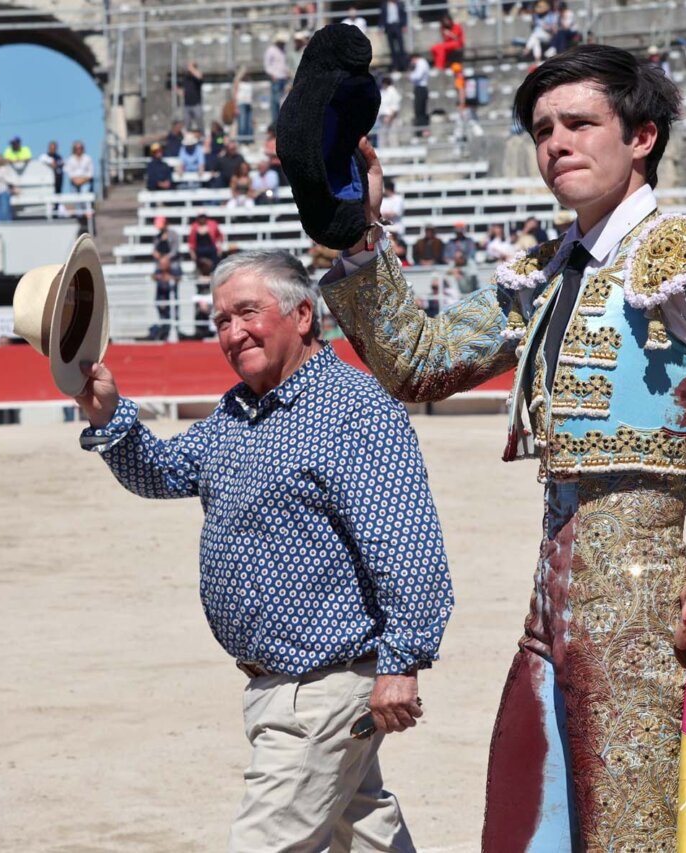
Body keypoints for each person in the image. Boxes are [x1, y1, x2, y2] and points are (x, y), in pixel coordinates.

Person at [318, 44, 686, 849]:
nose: (558, 143)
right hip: (551, 610)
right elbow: (419, 362)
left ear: (642, 136)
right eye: (544, 128)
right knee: (546, 824)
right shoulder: (551, 271)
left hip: (639, 605)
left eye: (581, 122)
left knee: (631, 832)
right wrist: (358, 231)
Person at [75, 250, 453, 852]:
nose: (232, 332)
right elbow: (165, 472)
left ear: (303, 316)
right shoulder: (237, 411)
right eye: (221, 320)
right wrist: (111, 417)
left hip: (324, 689)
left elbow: (406, 548)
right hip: (277, 686)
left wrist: (401, 663)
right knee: (365, 836)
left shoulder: (355, 410)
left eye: (247, 312)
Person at [264, 32, 291, 126]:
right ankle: (276, 123)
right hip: (276, 79)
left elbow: (283, 65)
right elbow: (267, 66)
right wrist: (272, 75)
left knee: (282, 101)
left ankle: (282, 121)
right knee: (276, 101)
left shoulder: (283, 50)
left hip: (283, 78)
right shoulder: (271, 50)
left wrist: (288, 72)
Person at [187, 209, 224, 274]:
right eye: (200, 216)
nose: (202, 218)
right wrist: (192, 252)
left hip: (211, 249)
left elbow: (219, 237)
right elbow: (191, 241)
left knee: (215, 261)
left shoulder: (213, 224)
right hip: (199, 250)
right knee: (200, 262)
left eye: (203, 216)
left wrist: (219, 247)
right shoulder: (194, 226)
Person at [380, 0, 409, 72]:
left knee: (401, 47)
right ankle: (395, 67)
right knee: (392, 48)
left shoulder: (399, 4)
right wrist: (381, 28)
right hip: (389, 27)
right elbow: (382, 17)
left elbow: (404, 14)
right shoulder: (384, 5)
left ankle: (404, 66)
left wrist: (404, 25)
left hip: (398, 26)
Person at [377, 77, 402, 150]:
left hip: (391, 117)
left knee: (392, 137)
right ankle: (384, 158)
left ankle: (395, 157)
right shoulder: (382, 91)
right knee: (382, 138)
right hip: (382, 118)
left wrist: (389, 117)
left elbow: (395, 106)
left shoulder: (392, 91)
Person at [409, 52, 430, 136]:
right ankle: (421, 130)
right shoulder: (422, 63)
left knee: (420, 110)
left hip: (421, 88)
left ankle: (422, 130)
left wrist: (411, 76)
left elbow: (418, 76)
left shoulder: (421, 63)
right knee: (419, 110)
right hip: (420, 88)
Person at [180, 61, 204, 131]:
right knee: (187, 124)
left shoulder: (197, 76)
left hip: (196, 104)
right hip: (187, 105)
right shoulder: (186, 78)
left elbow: (199, 76)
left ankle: (202, 136)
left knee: (199, 123)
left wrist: (192, 68)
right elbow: (185, 91)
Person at [231, 68, 254, 144]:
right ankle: (241, 140)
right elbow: (234, 95)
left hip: (248, 103)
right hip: (241, 103)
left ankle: (248, 140)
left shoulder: (249, 82)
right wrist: (235, 107)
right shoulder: (237, 82)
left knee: (249, 123)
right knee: (242, 123)